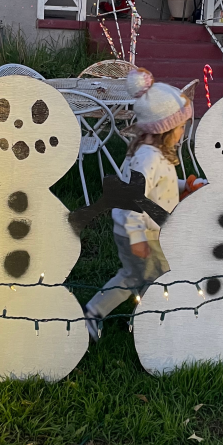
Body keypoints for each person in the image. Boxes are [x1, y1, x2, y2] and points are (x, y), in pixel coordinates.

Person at [84, 68, 194, 341]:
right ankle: (93, 312)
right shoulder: (147, 158)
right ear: (164, 130)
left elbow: (161, 186)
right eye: (180, 126)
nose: (183, 132)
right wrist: (136, 238)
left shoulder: (157, 154)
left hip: (152, 230)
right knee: (135, 277)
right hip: (137, 232)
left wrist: (187, 186)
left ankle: (143, 317)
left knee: (157, 275)